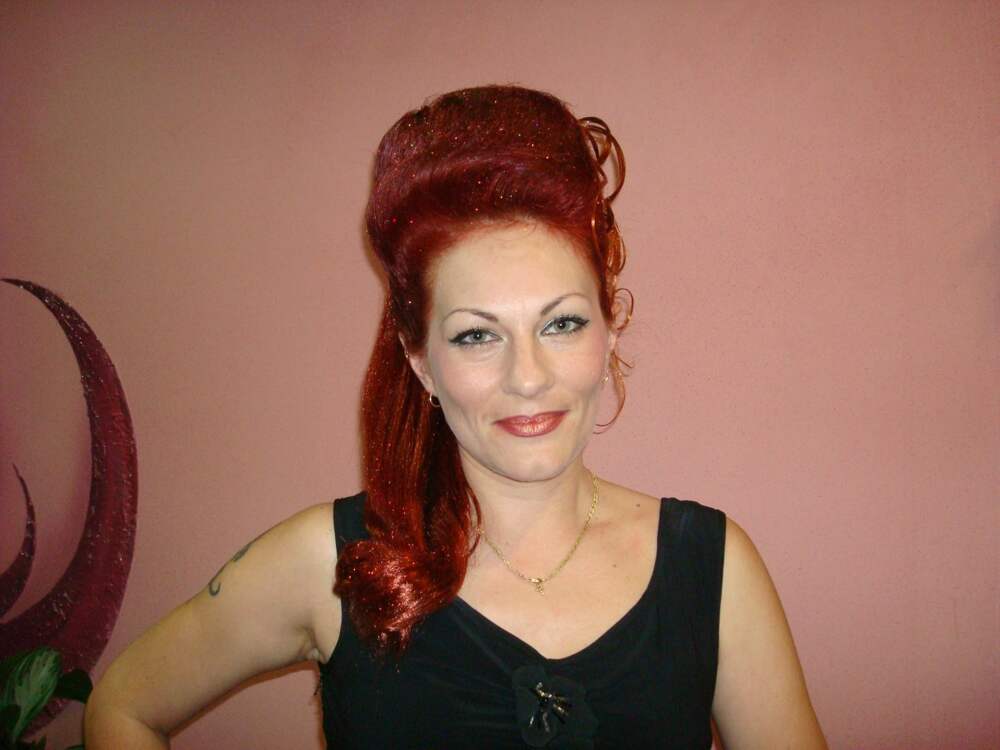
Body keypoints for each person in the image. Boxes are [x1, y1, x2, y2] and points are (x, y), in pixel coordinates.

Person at [85, 85, 827, 749]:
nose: (527, 376)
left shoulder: (712, 570)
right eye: (477, 335)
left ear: (609, 332)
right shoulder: (328, 563)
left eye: (562, 323)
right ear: (420, 361)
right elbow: (124, 706)